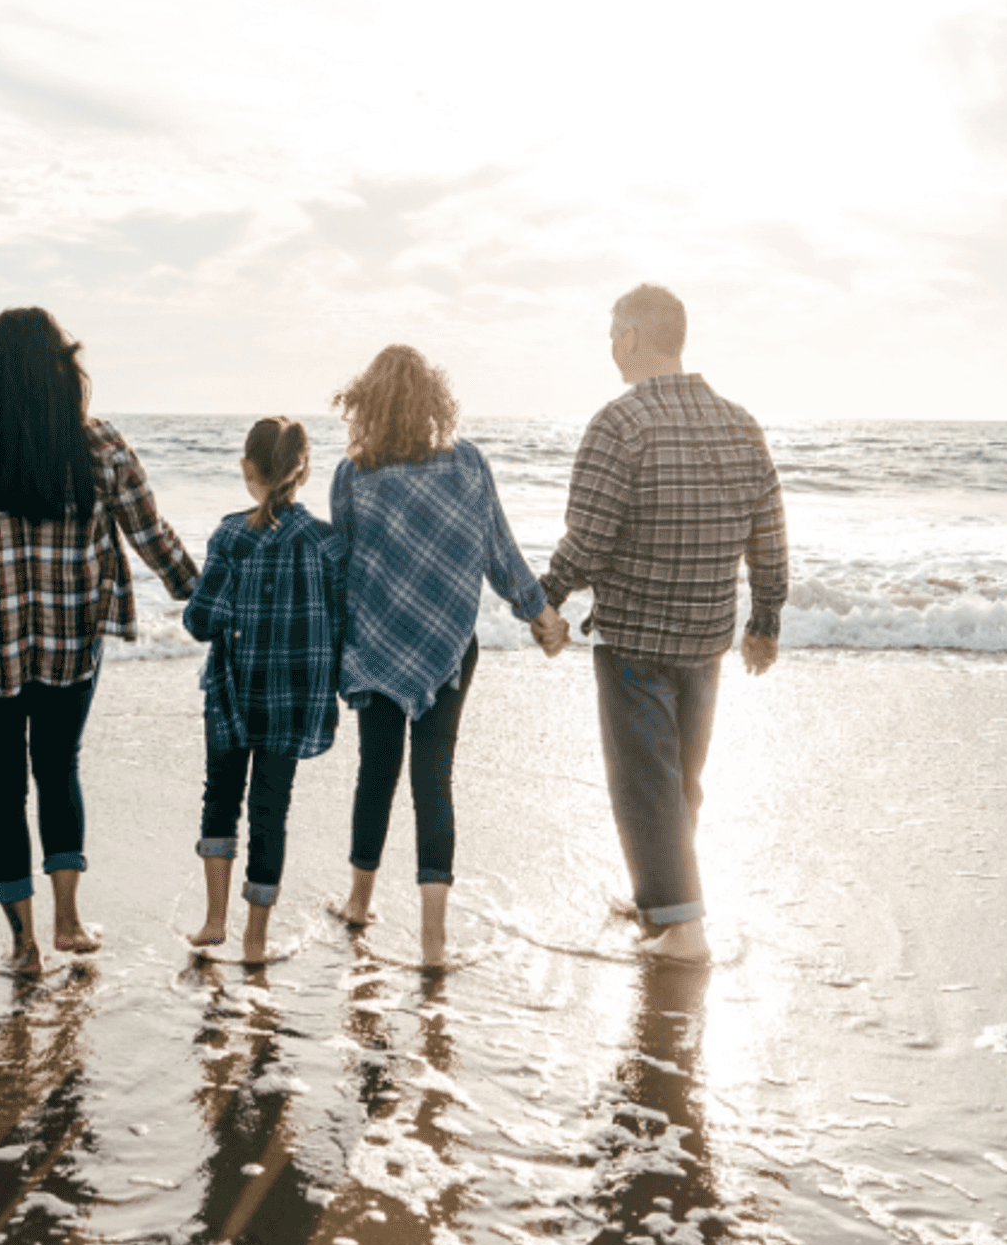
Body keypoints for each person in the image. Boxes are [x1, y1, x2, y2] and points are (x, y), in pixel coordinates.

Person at [0, 307, 201, 975]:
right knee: (58, 770)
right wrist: (206, 597)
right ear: (63, 369)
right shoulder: (101, 445)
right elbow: (152, 537)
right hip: (70, 642)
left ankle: (24, 944)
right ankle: (69, 922)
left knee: (0, 789)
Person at [528, 284, 788, 963]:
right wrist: (766, 619)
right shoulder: (740, 422)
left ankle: (682, 932)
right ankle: (661, 901)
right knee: (680, 780)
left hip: (636, 636)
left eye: (614, 332)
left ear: (634, 337)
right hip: (706, 634)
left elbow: (589, 539)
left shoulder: (620, 424)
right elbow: (769, 531)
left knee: (645, 779)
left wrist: (545, 599)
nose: (610, 345)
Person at [326, 343, 553, 972]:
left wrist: (330, 654)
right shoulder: (467, 465)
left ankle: (357, 903)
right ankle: (433, 943)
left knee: (376, 774)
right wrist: (541, 614)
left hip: (373, 649)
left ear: (366, 403)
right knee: (434, 781)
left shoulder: (353, 476)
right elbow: (500, 554)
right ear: (435, 400)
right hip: (447, 649)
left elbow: (340, 573)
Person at [177, 415, 342, 966]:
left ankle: (214, 922)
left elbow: (201, 622)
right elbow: (345, 622)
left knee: (220, 800)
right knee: (272, 810)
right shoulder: (327, 543)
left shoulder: (230, 536)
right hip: (293, 702)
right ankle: (255, 940)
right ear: (304, 470)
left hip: (231, 695)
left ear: (248, 469)